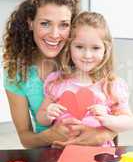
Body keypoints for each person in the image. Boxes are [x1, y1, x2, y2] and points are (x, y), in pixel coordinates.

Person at [3, 0, 116, 149]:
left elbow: (118, 114)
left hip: (94, 152)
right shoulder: (16, 73)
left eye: (64, 24)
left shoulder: (84, 59)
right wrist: (51, 135)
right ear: (30, 23)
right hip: (49, 154)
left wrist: (100, 135)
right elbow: (25, 138)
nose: (55, 35)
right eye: (45, 23)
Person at [36, 11, 133, 146]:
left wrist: (108, 119)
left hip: (99, 155)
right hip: (62, 152)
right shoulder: (57, 81)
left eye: (95, 48)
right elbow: (40, 117)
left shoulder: (111, 85)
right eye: (79, 47)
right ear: (69, 47)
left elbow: (128, 122)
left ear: (106, 49)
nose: (87, 55)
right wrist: (48, 114)